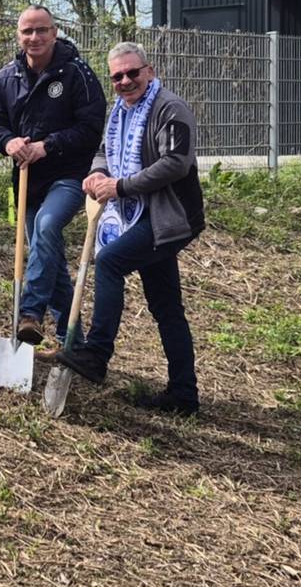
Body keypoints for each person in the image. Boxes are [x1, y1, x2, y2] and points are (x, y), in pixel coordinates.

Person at [56, 42, 206, 415]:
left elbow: (175, 163)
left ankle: (97, 354)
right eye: (117, 76)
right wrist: (97, 173)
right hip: (138, 215)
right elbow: (105, 151)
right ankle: (183, 395)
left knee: (109, 262)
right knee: (166, 304)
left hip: (171, 217)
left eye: (132, 73)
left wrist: (120, 187)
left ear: (149, 71)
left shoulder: (169, 108)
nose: (125, 81)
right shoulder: (120, 113)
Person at [0, 5, 106, 355]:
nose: (34, 38)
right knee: (47, 256)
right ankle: (74, 343)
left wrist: (46, 146)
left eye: (41, 30)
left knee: (48, 226)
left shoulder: (77, 73)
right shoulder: (7, 77)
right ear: (18, 35)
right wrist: (8, 142)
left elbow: (90, 128)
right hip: (27, 179)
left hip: (69, 175)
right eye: (27, 31)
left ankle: (30, 312)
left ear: (55, 32)